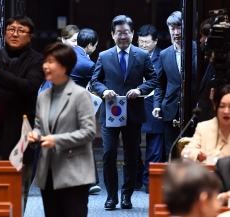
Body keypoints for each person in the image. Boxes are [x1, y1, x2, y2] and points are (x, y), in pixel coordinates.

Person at [0, 16, 44, 207]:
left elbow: (29, 86)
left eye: (21, 30)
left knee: (17, 187)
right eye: (11, 29)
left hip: (20, 134)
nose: (14, 34)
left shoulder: (37, 60)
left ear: (30, 36)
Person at [91, 15, 157, 210]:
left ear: (132, 33)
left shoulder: (142, 56)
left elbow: (153, 80)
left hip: (133, 112)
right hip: (111, 112)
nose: (123, 36)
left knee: (131, 156)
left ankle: (126, 195)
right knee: (109, 153)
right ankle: (111, 196)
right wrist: (103, 91)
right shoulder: (104, 56)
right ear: (112, 34)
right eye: (119, 32)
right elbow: (95, 80)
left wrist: (140, 90)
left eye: (126, 32)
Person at [28, 42, 96, 217]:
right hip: (48, 170)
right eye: (45, 62)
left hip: (74, 171)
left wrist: (56, 140)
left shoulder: (80, 95)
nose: (45, 66)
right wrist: (35, 134)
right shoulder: (43, 96)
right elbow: (39, 125)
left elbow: (88, 132)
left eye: (52, 62)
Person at [152, 11, 196, 161]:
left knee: (193, 151)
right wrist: (157, 104)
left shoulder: (198, 50)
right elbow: (160, 84)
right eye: (172, 28)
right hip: (170, 110)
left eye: (179, 27)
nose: (176, 32)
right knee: (171, 151)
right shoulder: (164, 54)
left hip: (193, 109)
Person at [182, 84, 230, 162]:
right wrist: (198, 154)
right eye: (222, 106)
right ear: (215, 106)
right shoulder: (203, 127)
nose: (226, 111)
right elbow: (185, 153)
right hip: (209, 173)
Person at [135, 24, 164, 194]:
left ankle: (149, 180)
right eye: (141, 42)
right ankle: (137, 177)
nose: (143, 46)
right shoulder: (134, 54)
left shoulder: (163, 56)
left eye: (146, 42)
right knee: (133, 143)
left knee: (155, 145)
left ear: (155, 41)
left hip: (154, 101)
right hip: (136, 101)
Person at [72, 28, 101, 194]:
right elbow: (97, 83)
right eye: (94, 45)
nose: (95, 48)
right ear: (90, 45)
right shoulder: (88, 64)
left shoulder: (65, 54)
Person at [197, 18, 230, 123]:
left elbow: (229, 91)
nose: (201, 40)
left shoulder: (226, 60)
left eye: (203, 36)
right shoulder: (215, 59)